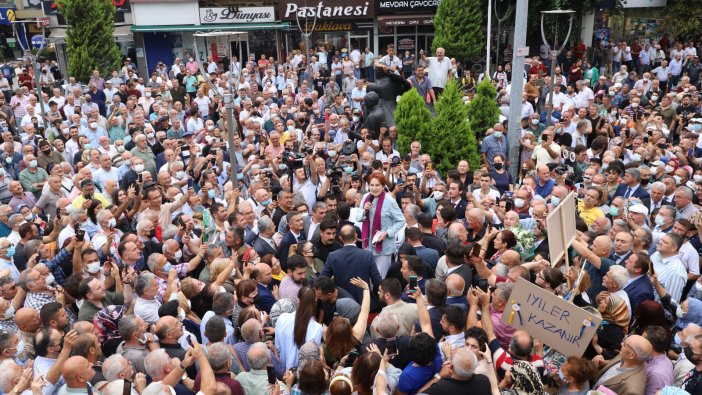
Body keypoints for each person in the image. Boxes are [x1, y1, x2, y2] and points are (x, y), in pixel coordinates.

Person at [356, 173, 405, 278]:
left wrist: (387, 233)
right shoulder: (366, 197)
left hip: (383, 247)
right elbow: (358, 217)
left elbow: (401, 221)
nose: (374, 188)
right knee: (367, 278)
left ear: (383, 187)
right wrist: (365, 210)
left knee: (379, 279)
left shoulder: (390, 201)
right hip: (367, 245)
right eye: (372, 185)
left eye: (377, 185)